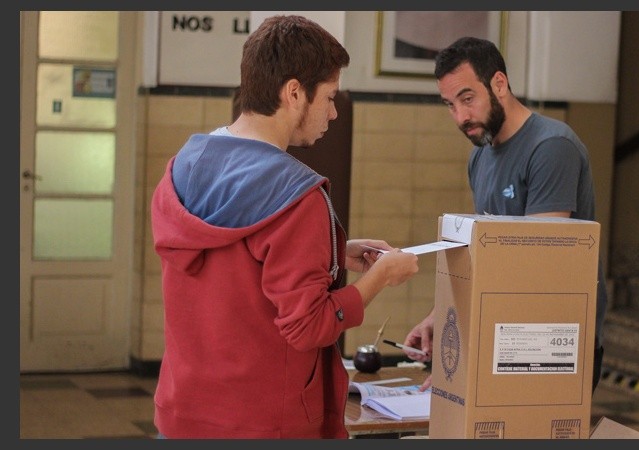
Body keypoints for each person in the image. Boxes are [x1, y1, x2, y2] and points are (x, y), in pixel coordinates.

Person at [150, 15, 419, 439]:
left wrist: (333, 250)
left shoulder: (184, 166)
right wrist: (380, 279)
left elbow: (235, 264)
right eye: (329, 96)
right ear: (294, 92)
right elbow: (308, 326)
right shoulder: (298, 198)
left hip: (182, 413)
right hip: (263, 424)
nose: (333, 112)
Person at [402, 36, 607, 394]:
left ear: (499, 84)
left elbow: (536, 267)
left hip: (553, 344)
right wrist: (441, 317)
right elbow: (485, 255)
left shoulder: (551, 148)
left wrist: (468, 357)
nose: (460, 117)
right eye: (450, 105)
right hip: (509, 337)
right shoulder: (480, 156)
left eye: (467, 99)